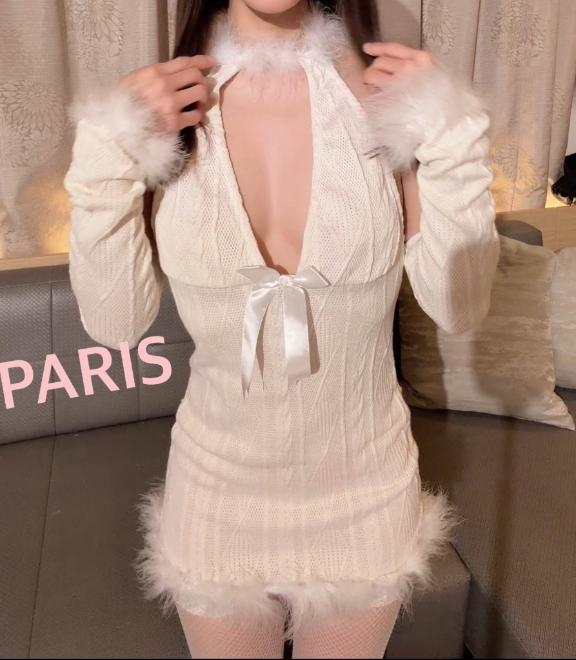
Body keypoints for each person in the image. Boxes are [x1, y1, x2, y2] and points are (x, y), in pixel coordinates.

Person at [63, 0, 501, 657]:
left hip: (365, 495)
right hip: (216, 495)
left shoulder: (389, 100)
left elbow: (459, 306)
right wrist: (107, 148)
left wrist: (454, 137)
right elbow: (115, 323)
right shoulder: (162, 110)